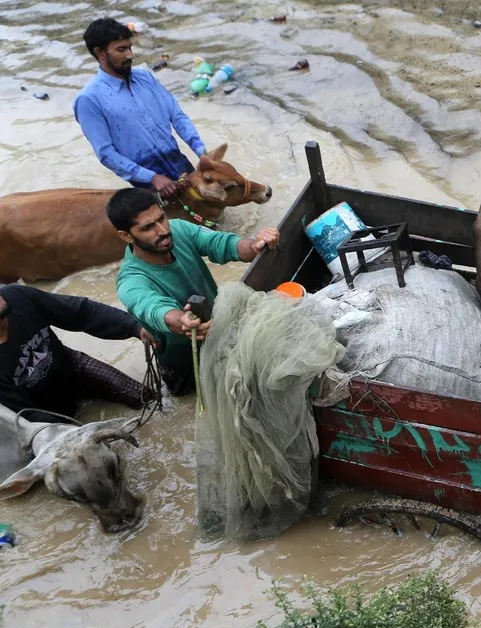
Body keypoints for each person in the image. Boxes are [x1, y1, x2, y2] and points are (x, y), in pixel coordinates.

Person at [107, 188, 279, 395]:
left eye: (161, 218)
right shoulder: (130, 281)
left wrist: (255, 245)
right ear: (126, 235)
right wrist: (183, 321)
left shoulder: (179, 229)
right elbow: (153, 308)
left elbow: (222, 244)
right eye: (148, 228)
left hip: (220, 334)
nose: (162, 230)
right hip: (184, 364)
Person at [74, 17, 206, 198]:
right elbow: (106, 153)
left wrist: (201, 152)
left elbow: (177, 116)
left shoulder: (145, 77)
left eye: (129, 47)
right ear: (100, 53)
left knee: (214, 216)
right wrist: (152, 178)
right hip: (148, 184)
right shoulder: (89, 99)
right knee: (177, 225)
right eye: (121, 49)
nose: (130, 55)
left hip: (180, 164)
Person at [0, 284, 156, 424]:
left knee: (147, 400)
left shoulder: (17, 296)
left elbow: (81, 312)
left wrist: (135, 327)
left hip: (71, 367)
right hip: (40, 411)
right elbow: (26, 419)